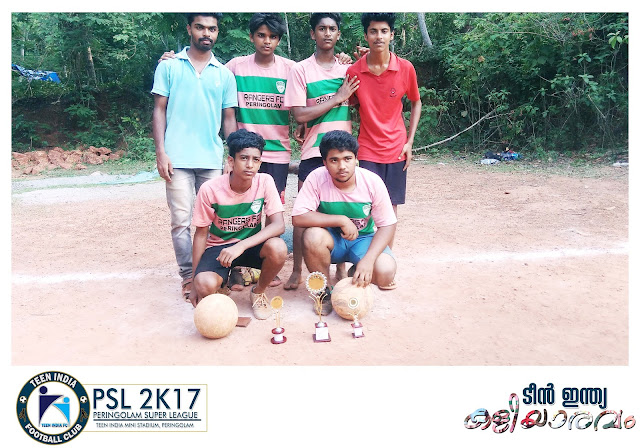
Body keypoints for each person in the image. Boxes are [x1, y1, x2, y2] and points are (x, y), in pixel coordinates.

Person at [152, 13, 238, 303]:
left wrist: (232, 156)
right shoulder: (169, 67)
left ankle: (217, 271)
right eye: (200, 27)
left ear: (217, 32)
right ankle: (189, 275)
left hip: (211, 159)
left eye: (212, 28)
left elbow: (229, 117)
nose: (206, 33)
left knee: (218, 220)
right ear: (189, 28)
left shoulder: (224, 74)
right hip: (176, 159)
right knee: (181, 221)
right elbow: (159, 109)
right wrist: (161, 152)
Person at [283, 12, 360, 291]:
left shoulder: (348, 69)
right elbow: (300, 115)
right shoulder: (300, 70)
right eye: (321, 28)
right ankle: (296, 270)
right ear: (312, 33)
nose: (327, 33)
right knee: (305, 212)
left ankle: (340, 266)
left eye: (332, 28)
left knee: (341, 207)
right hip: (313, 151)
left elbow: (362, 97)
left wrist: (359, 60)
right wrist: (337, 98)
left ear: (338, 34)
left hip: (344, 153)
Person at [346, 13, 421, 289]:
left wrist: (410, 141)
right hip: (366, 149)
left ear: (392, 35)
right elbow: (349, 104)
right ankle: (360, 261)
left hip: (396, 150)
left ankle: (384, 263)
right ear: (366, 35)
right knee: (364, 209)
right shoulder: (354, 71)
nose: (379, 36)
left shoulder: (406, 69)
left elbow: (416, 102)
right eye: (373, 31)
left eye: (384, 31)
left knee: (390, 210)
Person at [291, 130, 397, 315]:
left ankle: (355, 271)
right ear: (325, 163)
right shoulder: (316, 178)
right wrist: (340, 220)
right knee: (312, 236)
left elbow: (388, 224)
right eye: (334, 160)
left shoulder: (372, 181)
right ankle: (324, 292)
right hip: (331, 240)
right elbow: (298, 217)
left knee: (385, 272)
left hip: (363, 239)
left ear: (356, 159)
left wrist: (368, 260)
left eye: (348, 159)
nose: (342, 166)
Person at [190, 129, 287, 319]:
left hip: (250, 246)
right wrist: (194, 282)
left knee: (278, 247)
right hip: (219, 249)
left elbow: (278, 225)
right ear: (231, 161)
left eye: (256, 159)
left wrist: (241, 246)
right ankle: (222, 285)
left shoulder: (265, 181)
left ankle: (258, 292)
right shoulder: (210, 189)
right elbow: (201, 234)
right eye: (244, 158)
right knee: (204, 284)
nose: (250, 165)